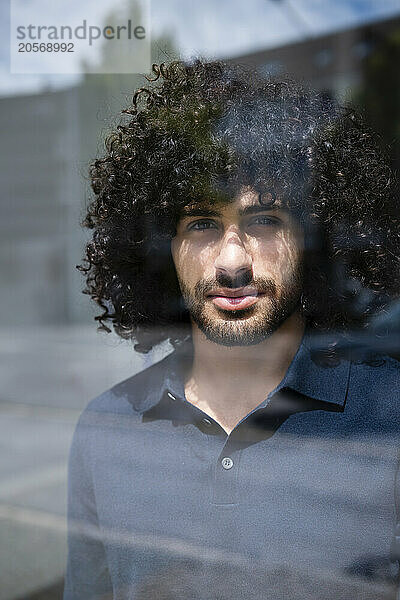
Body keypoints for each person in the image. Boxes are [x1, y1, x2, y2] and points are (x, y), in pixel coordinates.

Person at [63, 59, 400, 600]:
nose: (232, 262)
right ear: (161, 250)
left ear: (313, 237)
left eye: (264, 219)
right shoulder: (106, 428)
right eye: (201, 223)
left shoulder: (390, 417)